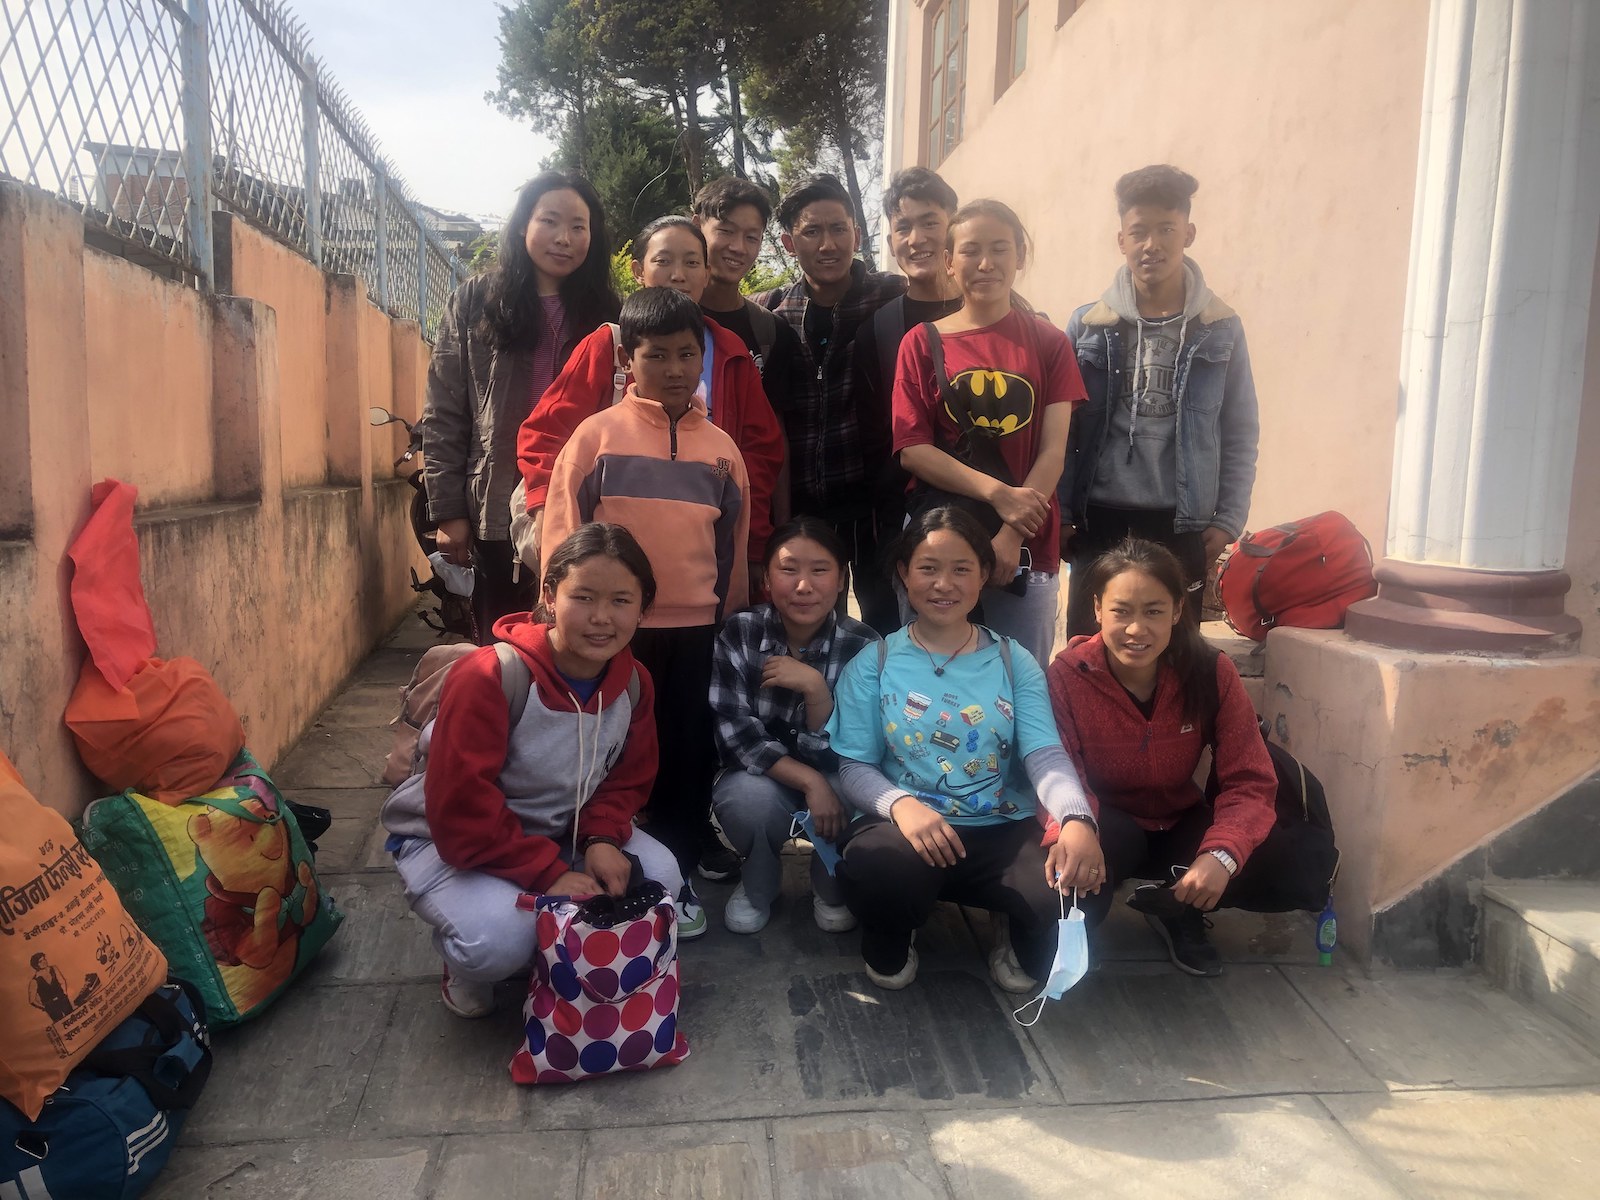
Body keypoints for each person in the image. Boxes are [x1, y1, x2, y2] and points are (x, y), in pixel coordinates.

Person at [383, 523, 687, 1020]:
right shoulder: (490, 676)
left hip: (562, 828)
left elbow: (627, 779)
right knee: (497, 943)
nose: (601, 619)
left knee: (662, 879)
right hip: (454, 840)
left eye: (620, 601)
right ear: (549, 593)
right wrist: (550, 875)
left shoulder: (632, 681)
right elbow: (461, 808)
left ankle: (551, 945)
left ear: (642, 608)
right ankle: (464, 962)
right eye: (583, 597)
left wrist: (601, 840)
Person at [826, 506, 1104, 992]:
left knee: (1076, 887)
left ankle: (1010, 918)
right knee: (878, 869)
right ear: (903, 574)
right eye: (928, 568)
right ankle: (897, 927)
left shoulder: (1012, 659)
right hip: (908, 831)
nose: (943, 585)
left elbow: (1043, 752)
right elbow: (853, 766)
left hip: (1001, 827)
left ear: (983, 577)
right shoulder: (875, 662)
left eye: (961, 569)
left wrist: (1077, 819)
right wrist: (901, 806)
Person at [542, 286, 751, 895]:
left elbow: (733, 546)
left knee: (689, 739)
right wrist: (560, 609)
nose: (675, 369)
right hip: (615, 629)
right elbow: (563, 530)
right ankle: (611, 839)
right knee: (618, 742)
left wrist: (729, 617)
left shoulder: (722, 452)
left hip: (695, 629)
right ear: (627, 360)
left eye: (688, 354)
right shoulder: (595, 438)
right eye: (656, 355)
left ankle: (685, 843)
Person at [1048, 538, 1289, 978]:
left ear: (1178, 611)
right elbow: (1059, 771)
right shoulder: (1067, 676)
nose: (1137, 629)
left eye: (1154, 611)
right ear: (1097, 608)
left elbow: (1250, 780)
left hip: (1180, 821)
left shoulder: (1211, 671)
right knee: (1057, 887)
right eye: (1121, 610)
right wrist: (1073, 827)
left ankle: (1180, 908)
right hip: (1105, 825)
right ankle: (1088, 908)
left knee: (1272, 847)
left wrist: (1222, 856)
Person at [518, 214, 785, 578]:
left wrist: (750, 544)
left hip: (699, 554)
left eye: (692, 262)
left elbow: (759, 451)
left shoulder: (730, 349)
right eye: (663, 260)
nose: (678, 274)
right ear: (637, 270)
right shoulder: (610, 345)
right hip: (607, 556)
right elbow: (546, 435)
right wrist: (550, 518)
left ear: (707, 273)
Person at [1059, 165, 1260, 635]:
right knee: (1089, 654)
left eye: (1166, 229)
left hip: (1181, 519)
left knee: (1173, 656)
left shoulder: (1221, 327)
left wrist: (1228, 518)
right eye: (1139, 231)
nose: (1152, 244)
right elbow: (1063, 430)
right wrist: (1063, 514)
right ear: (1121, 240)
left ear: (1188, 233)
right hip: (1099, 516)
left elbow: (1240, 428)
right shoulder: (1088, 325)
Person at [421, 171, 620, 641]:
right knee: (501, 647)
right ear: (522, 226)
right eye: (550, 221)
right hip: (493, 502)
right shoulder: (476, 302)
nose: (564, 238)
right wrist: (448, 513)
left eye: (579, 226)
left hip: (577, 505)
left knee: (573, 642)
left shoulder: (609, 315)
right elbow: (444, 410)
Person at [892, 200, 1084, 667]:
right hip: (940, 545)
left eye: (1000, 248)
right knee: (927, 679)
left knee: (1020, 682)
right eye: (971, 250)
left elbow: (1053, 452)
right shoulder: (922, 341)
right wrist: (1000, 494)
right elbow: (912, 450)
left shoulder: (1049, 341)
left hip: (1026, 545)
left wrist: (1011, 534)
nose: (985, 263)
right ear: (949, 261)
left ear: (1020, 255)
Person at [709, 517, 879, 934]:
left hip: (837, 773)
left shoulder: (866, 646)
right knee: (745, 800)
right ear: (767, 578)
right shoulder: (740, 632)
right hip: (761, 775)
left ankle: (830, 882)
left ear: (841, 580)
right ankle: (759, 885)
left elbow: (856, 749)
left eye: (820, 570)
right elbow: (736, 736)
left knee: (851, 792)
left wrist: (816, 690)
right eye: (789, 569)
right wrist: (809, 781)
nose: (804, 586)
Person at [753, 174, 906, 632]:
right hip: (802, 506)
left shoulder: (893, 296)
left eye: (839, 229)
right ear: (787, 241)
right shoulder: (770, 313)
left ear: (857, 234)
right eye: (812, 231)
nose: (829, 244)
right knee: (811, 626)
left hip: (874, 503)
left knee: (886, 620)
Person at [849, 167, 964, 636]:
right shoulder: (876, 331)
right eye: (903, 226)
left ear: (953, 225)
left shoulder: (1004, 314)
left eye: (930, 222)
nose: (917, 238)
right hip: (904, 521)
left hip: (991, 521)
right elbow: (874, 441)